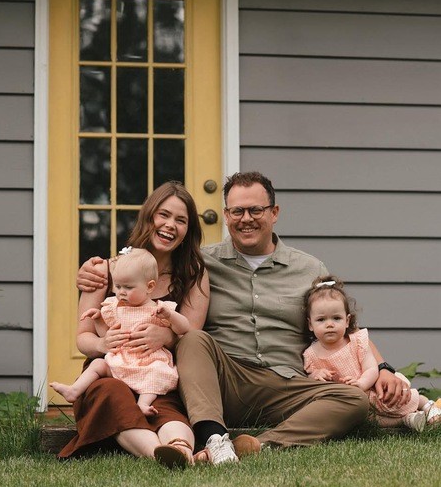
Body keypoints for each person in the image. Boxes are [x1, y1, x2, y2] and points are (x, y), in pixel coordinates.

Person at [79, 171, 409, 465]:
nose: (246, 219)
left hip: (287, 381)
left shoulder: (309, 268)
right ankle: (213, 436)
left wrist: (382, 367)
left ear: (274, 213)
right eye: (237, 211)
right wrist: (96, 271)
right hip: (227, 378)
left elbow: (345, 326)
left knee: (353, 399)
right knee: (193, 338)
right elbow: (146, 273)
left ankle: (259, 446)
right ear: (226, 215)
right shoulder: (202, 264)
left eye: (256, 210)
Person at [59, 181, 210, 468]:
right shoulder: (105, 269)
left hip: (156, 371)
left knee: (166, 407)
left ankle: (179, 447)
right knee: (112, 394)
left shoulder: (193, 274)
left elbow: (191, 337)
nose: (170, 225)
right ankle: (163, 455)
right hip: (111, 370)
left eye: (181, 220)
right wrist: (102, 343)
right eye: (163, 215)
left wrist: (164, 336)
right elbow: (83, 337)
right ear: (148, 217)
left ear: (188, 231)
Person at [50, 247, 191, 417]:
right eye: (117, 286)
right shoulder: (114, 308)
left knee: (156, 372)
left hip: (147, 363)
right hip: (120, 361)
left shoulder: (159, 309)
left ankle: (143, 403)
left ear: (149, 286)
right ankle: (74, 390)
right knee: (98, 364)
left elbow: (184, 328)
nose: (121, 292)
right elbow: (106, 334)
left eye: (128, 287)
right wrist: (98, 319)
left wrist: (171, 316)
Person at [303, 276, 441, 432]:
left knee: (401, 398)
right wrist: (316, 375)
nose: (329, 324)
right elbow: (310, 380)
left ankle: (426, 404)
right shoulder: (311, 355)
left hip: (372, 389)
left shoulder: (357, 342)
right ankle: (407, 420)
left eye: (336, 318)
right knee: (369, 420)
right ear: (310, 324)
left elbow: (371, 368)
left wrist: (361, 384)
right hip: (351, 402)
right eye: (321, 320)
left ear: (347, 321)